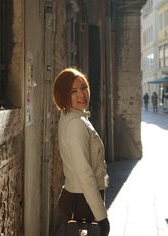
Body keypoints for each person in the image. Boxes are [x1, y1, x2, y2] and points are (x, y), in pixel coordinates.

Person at [53, 67, 110, 236]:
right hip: (83, 202)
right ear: (63, 95)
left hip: (78, 198)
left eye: (84, 87)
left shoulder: (71, 116)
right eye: (73, 91)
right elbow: (84, 173)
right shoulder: (76, 123)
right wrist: (101, 217)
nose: (82, 95)